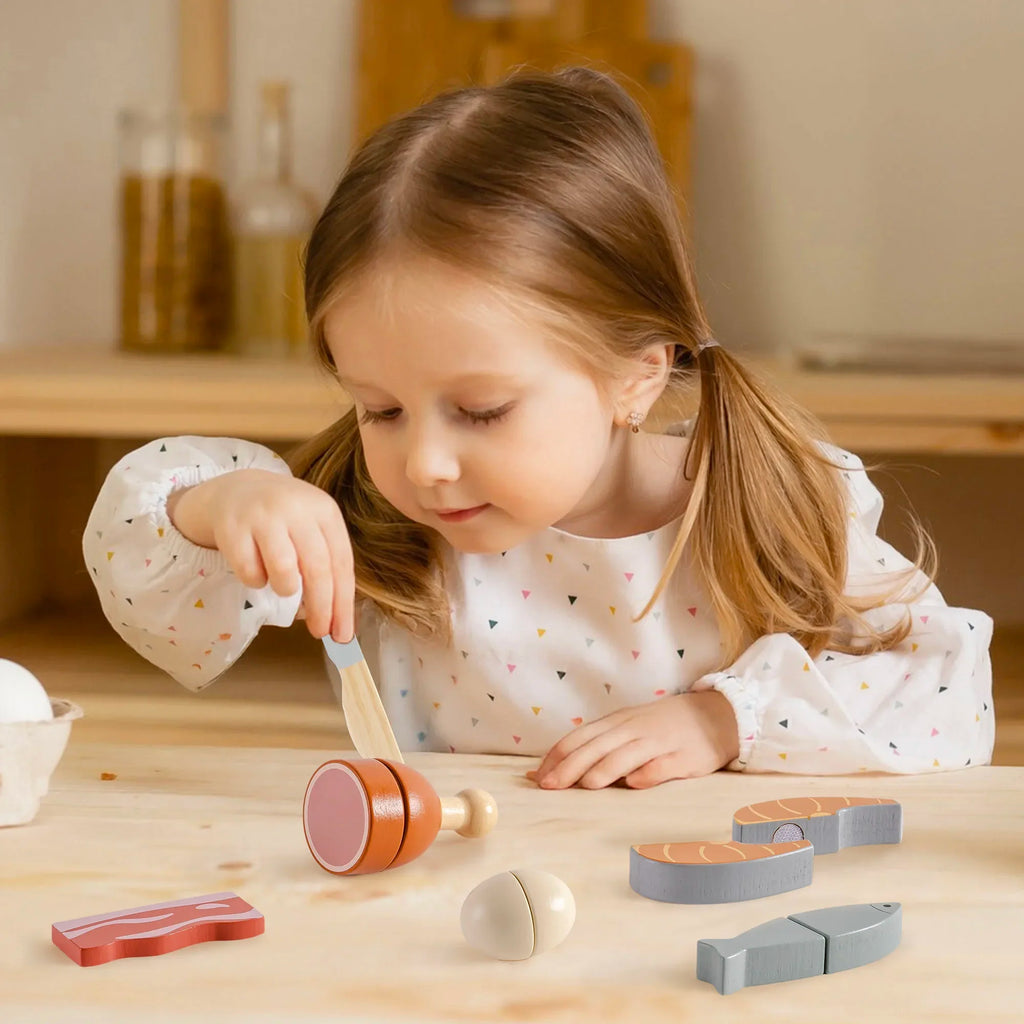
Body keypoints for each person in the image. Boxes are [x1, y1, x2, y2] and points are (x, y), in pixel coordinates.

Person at [83, 66, 993, 789]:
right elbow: (146, 573)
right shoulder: (367, 517)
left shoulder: (773, 498)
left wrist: (723, 721)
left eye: (483, 411)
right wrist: (221, 503)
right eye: (381, 409)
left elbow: (947, 692)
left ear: (636, 377)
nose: (427, 463)